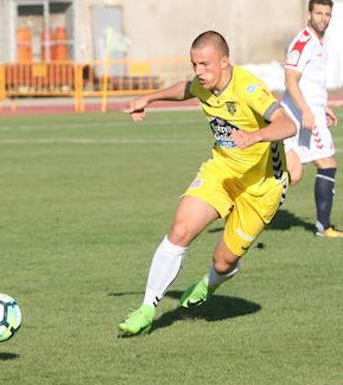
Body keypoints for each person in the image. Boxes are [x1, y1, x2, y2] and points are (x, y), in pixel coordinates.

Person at [118, 31, 296, 335]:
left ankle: (209, 283)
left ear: (225, 61)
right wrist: (148, 98)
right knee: (180, 229)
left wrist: (254, 136)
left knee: (224, 262)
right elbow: (184, 90)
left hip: (262, 187)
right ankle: (147, 307)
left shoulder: (249, 88)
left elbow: (287, 123)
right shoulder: (203, 85)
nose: (198, 72)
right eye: (194, 64)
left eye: (205, 64)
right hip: (223, 171)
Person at [282, 0, 342, 238]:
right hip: (300, 115)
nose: (323, 18)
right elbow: (290, 80)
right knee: (328, 163)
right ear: (309, 14)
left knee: (294, 175)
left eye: (327, 14)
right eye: (319, 13)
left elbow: (311, 81)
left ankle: (248, 192)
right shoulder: (303, 41)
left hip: (309, 112)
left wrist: (321, 106)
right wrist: (307, 110)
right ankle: (324, 226)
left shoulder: (319, 42)